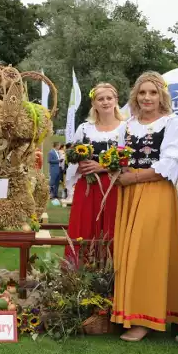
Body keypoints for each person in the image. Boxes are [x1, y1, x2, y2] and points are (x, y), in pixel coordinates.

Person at [112, 71, 178, 341]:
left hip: (154, 192)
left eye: (153, 93)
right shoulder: (128, 124)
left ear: (162, 96)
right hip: (129, 194)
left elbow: (170, 164)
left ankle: (146, 318)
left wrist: (132, 177)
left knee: (148, 252)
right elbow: (118, 156)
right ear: (136, 95)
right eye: (142, 92)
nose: (147, 98)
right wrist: (117, 170)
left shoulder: (173, 124)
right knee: (128, 251)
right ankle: (130, 312)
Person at [66, 83, 125, 268]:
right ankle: (80, 275)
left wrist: (103, 166)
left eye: (109, 98)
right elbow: (72, 157)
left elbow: (130, 159)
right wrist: (79, 162)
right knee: (85, 228)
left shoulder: (126, 128)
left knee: (112, 230)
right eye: (101, 99)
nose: (105, 102)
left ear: (116, 101)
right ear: (94, 103)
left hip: (114, 186)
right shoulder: (85, 128)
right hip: (88, 187)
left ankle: (112, 275)